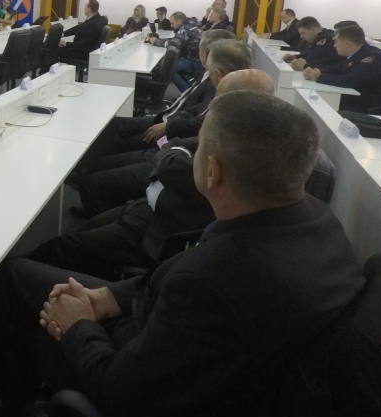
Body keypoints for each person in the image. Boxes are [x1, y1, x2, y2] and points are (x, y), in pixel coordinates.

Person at [0, 91, 364, 417]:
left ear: (211, 171)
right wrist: (110, 296)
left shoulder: (216, 280)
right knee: (17, 277)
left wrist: (80, 324)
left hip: (148, 390)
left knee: (29, 308)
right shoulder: (316, 223)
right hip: (172, 340)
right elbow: (183, 275)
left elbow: (123, 393)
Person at [29, 69, 275, 279]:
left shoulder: (240, 151)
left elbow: (172, 166)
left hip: (158, 228)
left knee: (59, 248)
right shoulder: (238, 131)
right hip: (146, 204)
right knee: (78, 232)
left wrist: (173, 152)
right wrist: (174, 151)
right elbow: (177, 147)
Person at [71, 40, 254, 217]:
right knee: (106, 152)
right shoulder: (239, 100)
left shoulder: (226, 103)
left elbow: (198, 134)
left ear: (218, 74)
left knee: (95, 178)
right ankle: (93, 183)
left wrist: (168, 143)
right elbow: (194, 118)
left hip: (172, 163)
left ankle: (93, 196)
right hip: (172, 149)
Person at [78, 29, 235, 161]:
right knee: (115, 125)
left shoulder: (215, 82)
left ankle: (94, 166)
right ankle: (90, 163)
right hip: (170, 118)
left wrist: (169, 126)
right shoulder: (209, 75)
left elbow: (198, 120)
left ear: (206, 54)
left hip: (171, 128)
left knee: (121, 135)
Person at [303, 24, 381, 112]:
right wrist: (317, 71)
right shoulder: (358, 54)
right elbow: (337, 68)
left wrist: (318, 77)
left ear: (347, 43)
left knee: (323, 106)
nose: (334, 45)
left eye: (336, 42)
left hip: (375, 107)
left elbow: (350, 81)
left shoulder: (373, 58)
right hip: (360, 99)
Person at [148, 11, 202, 92]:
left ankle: (187, 94)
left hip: (194, 60)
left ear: (179, 21)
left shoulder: (185, 29)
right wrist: (160, 40)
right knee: (172, 68)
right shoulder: (192, 26)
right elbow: (177, 40)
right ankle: (189, 90)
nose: (171, 26)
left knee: (169, 70)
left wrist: (155, 41)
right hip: (196, 57)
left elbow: (175, 43)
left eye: (172, 23)